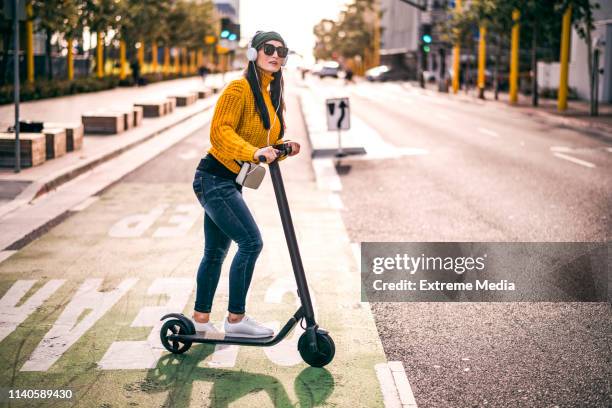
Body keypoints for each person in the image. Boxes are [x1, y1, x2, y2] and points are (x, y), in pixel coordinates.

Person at [191, 31, 301, 338]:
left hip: (230, 182)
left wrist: (284, 145)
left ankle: (200, 320)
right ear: (254, 53)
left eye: (282, 50)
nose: (276, 54)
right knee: (251, 243)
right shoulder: (239, 88)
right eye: (269, 48)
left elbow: (265, 140)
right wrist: (253, 153)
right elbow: (220, 132)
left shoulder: (270, 94)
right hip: (214, 178)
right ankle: (236, 321)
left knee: (215, 252)